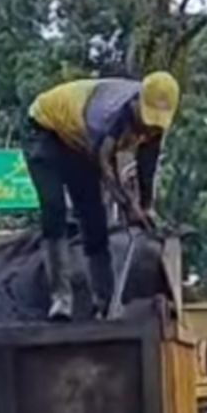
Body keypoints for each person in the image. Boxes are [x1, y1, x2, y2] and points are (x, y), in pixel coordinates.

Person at [25, 72, 180, 322]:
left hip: (80, 143)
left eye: (155, 125)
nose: (148, 129)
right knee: (54, 209)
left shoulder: (155, 126)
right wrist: (128, 206)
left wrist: (146, 206)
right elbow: (105, 166)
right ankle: (61, 298)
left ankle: (106, 303)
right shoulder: (108, 117)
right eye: (146, 121)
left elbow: (147, 166)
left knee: (94, 219)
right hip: (46, 129)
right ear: (137, 103)